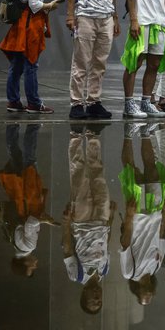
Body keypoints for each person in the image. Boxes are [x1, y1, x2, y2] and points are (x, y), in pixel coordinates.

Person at [66, 0, 121, 120]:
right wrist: (70, 15)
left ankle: (94, 102)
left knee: (100, 63)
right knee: (81, 62)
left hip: (106, 19)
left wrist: (115, 17)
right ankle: (77, 103)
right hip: (86, 18)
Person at [0, 0, 61, 114]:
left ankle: (13, 101)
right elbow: (34, 5)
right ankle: (33, 103)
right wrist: (50, 5)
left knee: (17, 64)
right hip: (30, 26)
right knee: (31, 65)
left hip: (20, 25)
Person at [63, 123, 115, 314]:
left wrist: (67, 222)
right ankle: (93, 136)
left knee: (79, 176)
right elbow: (106, 244)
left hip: (82, 221)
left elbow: (68, 248)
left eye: (92, 302)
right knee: (98, 174)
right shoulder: (104, 271)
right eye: (98, 302)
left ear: (84, 296)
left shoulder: (76, 276)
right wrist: (111, 221)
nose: (96, 299)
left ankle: (76, 136)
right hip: (101, 219)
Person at [119, 121, 165, 306]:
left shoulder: (130, 273)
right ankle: (145, 132)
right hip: (155, 212)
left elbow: (125, 243)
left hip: (139, 215)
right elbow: (161, 235)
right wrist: (164, 211)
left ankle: (127, 134)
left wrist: (129, 216)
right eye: (150, 298)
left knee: (131, 170)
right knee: (152, 170)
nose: (148, 296)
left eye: (144, 299)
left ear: (137, 293)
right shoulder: (157, 267)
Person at [0, 124, 58, 276]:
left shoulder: (29, 246)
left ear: (25, 264)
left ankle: (33, 125)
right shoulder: (15, 244)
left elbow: (30, 222)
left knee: (30, 158)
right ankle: (12, 125)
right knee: (15, 156)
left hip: (29, 194)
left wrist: (45, 221)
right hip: (19, 194)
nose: (35, 265)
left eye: (31, 268)